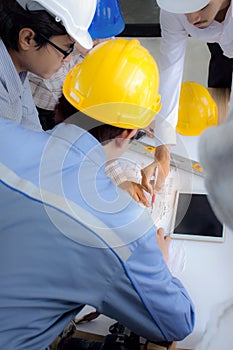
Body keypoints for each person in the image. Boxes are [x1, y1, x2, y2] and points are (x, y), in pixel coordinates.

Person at [0, 38, 195, 350]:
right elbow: (177, 322)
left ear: (66, 99)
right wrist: (161, 261)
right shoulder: (121, 230)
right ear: (129, 133)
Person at [147, 0, 233, 193]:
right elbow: (170, 69)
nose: (192, 18)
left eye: (200, 8)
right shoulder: (173, 9)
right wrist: (163, 148)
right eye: (183, 11)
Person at [0, 0, 97, 130]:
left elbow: (32, 131)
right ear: (27, 39)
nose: (67, 59)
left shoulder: (18, 69)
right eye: (66, 49)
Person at [28, 0, 125, 131]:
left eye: (106, 36)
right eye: (93, 38)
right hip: (45, 108)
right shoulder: (53, 51)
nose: (100, 42)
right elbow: (63, 91)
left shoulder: (103, 26)